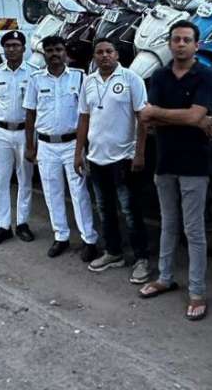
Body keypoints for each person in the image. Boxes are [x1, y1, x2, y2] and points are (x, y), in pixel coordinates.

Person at [137, 20, 212, 321]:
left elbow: (195, 115)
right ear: (169, 44)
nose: (180, 44)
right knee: (168, 224)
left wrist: (160, 113)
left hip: (194, 163)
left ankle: (197, 291)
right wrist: (188, 118)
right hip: (165, 161)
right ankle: (165, 277)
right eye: (176, 39)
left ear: (197, 45)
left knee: (193, 230)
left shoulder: (205, 75)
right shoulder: (160, 75)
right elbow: (148, 120)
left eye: (186, 40)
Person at [74, 38, 151, 284]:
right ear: (94, 56)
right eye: (99, 52)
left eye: (109, 51)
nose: (104, 55)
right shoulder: (89, 82)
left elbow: (143, 119)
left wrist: (139, 153)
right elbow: (84, 119)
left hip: (123, 158)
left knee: (130, 210)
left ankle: (141, 259)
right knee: (105, 209)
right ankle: (113, 252)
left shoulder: (131, 79)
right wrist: (78, 152)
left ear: (117, 55)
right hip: (96, 158)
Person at [23, 35, 99, 261]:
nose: (54, 54)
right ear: (44, 54)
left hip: (72, 144)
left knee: (79, 193)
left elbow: (87, 114)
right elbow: (30, 114)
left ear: (65, 52)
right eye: (49, 50)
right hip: (46, 146)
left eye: (58, 49)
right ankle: (61, 236)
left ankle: (89, 239)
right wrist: (30, 146)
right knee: (52, 192)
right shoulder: (36, 79)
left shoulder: (79, 77)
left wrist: (84, 148)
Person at [0, 30, 37, 246]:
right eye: (8, 46)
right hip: (1, 133)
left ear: (24, 49)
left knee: (25, 180)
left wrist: (33, 142)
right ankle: (3, 226)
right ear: (3, 49)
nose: (12, 49)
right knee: (0, 181)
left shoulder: (34, 73)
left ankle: (22, 223)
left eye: (16, 45)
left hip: (25, 132)